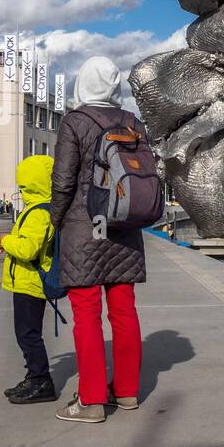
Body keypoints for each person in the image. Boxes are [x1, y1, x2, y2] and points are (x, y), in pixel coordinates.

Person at [49, 56, 147, 424]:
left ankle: (90, 401)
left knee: (86, 314)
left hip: (84, 227)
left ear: (83, 83)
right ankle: (126, 393)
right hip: (124, 226)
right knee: (124, 312)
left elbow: (63, 182)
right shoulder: (133, 122)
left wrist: (56, 222)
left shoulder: (75, 121)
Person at [0, 155, 59, 405]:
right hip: (25, 282)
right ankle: (34, 376)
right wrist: (9, 242)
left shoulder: (39, 212)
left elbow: (28, 249)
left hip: (31, 283)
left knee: (28, 334)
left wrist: (4, 240)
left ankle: (42, 381)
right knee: (26, 333)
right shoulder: (37, 209)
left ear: (29, 181)